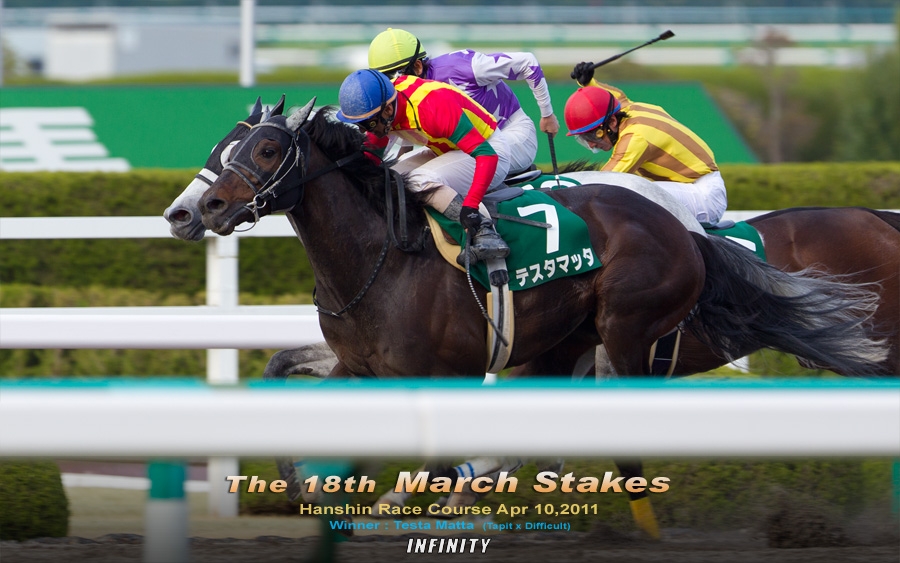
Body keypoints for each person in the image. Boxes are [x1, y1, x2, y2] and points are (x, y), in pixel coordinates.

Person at [336, 68, 511, 263]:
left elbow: (487, 155)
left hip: (490, 153)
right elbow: (371, 159)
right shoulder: (384, 105)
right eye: (359, 125)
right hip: (449, 149)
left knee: (419, 180)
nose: (363, 131)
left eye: (367, 124)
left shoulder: (430, 108)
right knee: (389, 178)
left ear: (388, 110)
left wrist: (471, 205)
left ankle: (485, 232)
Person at [367, 27, 559, 175]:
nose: (391, 86)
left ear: (417, 67)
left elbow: (527, 62)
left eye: (394, 77)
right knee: (395, 176)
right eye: (383, 80)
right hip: (463, 147)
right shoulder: (399, 96)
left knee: (430, 177)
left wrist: (547, 114)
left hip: (511, 134)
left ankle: (476, 216)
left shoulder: (462, 67)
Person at [565, 63, 727, 227]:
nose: (591, 143)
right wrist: (588, 82)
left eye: (593, 135)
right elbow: (607, 96)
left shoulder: (636, 137)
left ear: (612, 122)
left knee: (631, 191)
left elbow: (601, 184)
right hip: (686, 188)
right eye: (584, 138)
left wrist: (563, 201)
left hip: (705, 197)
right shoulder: (624, 107)